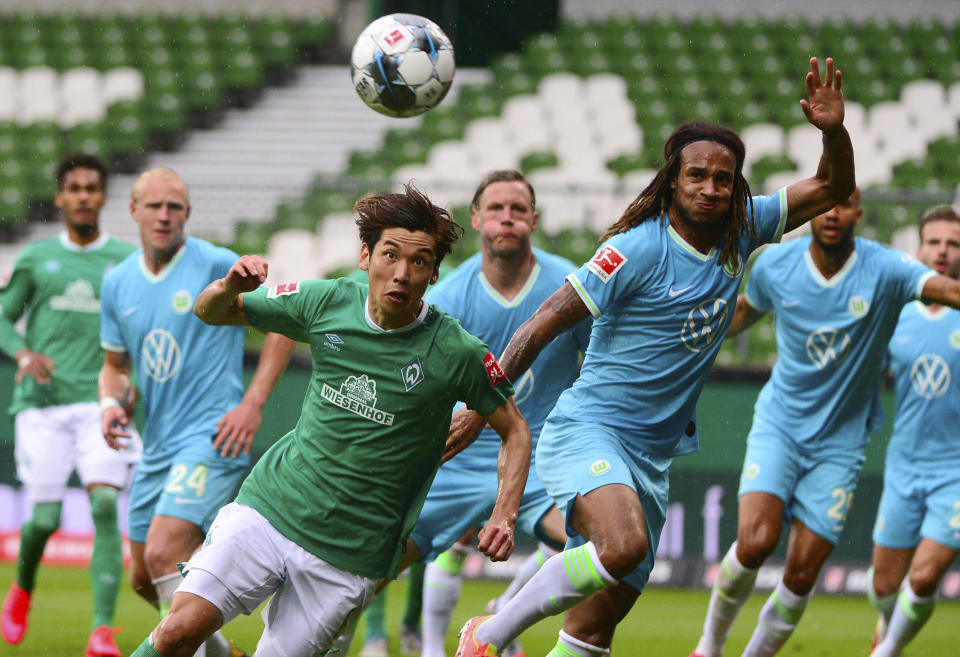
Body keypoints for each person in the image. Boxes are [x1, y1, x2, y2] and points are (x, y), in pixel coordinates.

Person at [453, 55, 855, 657]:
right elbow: (541, 324)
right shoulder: (632, 251)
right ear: (673, 179)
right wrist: (484, 402)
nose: (711, 189)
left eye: (724, 178)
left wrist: (832, 132)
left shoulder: (743, 228)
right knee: (622, 548)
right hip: (591, 430)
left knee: (593, 628)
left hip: (653, 455)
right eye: (697, 175)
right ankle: (487, 635)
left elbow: (832, 188)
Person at [125, 183, 533, 657]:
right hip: (270, 510)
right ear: (366, 256)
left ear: (434, 272)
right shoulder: (326, 301)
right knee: (177, 630)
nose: (401, 274)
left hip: (351, 556)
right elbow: (211, 311)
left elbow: (516, 430)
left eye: (418, 262)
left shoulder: (456, 351)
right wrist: (230, 285)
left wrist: (504, 514)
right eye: (390, 255)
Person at [690, 188, 960, 657]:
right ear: (811, 210)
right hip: (781, 426)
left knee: (801, 573)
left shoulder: (888, 270)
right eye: (825, 202)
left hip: (842, 445)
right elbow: (738, 316)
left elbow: (945, 291)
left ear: (859, 212)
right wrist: (682, 332)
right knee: (755, 542)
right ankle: (709, 647)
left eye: (844, 203)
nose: (833, 213)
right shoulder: (775, 266)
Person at [98, 168, 295, 657]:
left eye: (175, 207)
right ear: (133, 211)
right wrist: (111, 402)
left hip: (212, 436)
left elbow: (284, 326)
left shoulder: (219, 264)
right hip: (158, 442)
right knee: (144, 575)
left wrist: (252, 404)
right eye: (154, 206)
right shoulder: (118, 282)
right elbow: (114, 367)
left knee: (165, 553)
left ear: (188, 213)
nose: (164, 216)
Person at [415, 169, 589, 657]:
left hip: (543, 460)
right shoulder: (448, 298)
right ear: (476, 219)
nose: (506, 218)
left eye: (517, 209)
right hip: (464, 454)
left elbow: (598, 363)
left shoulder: (570, 286)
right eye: (495, 209)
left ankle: (499, 620)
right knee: (375, 552)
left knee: (593, 543)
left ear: (533, 218)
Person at [0, 153, 137, 657]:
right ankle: (23, 588)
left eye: (92, 188)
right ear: (60, 197)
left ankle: (101, 631)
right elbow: (2, 315)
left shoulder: (124, 259)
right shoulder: (37, 259)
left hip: (99, 402)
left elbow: (138, 327)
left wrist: (133, 379)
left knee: (104, 504)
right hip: (42, 406)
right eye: (74, 188)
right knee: (43, 521)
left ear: (103, 197)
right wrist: (22, 351)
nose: (83, 196)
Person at [866, 207, 960, 657]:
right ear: (919, 248)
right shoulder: (897, 312)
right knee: (884, 586)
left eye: (953, 243)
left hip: (955, 474)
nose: (943, 251)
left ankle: (885, 652)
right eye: (935, 242)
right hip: (903, 467)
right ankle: (888, 627)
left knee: (923, 578)